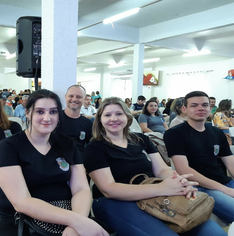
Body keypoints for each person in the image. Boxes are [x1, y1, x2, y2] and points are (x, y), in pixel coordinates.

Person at [83, 97, 226, 236]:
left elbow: (162, 169)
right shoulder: (95, 148)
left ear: (127, 117)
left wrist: (179, 182)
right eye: (107, 115)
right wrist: (161, 188)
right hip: (114, 202)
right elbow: (109, 189)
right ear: (100, 120)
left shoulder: (141, 139)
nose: (114, 118)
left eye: (119, 113)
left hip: (154, 194)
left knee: (214, 232)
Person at [0, 89, 108, 236]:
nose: (47, 118)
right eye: (40, 112)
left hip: (66, 213)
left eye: (53, 112)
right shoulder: (8, 146)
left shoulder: (67, 144)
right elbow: (21, 201)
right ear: (27, 113)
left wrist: (76, 224)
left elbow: (81, 189)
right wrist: (76, 221)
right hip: (22, 219)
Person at [164, 91, 234, 225]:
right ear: (184, 109)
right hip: (201, 187)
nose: (200, 108)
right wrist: (225, 189)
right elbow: (184, 170)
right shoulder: (175, 133)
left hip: (224, 181)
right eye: (194, 105)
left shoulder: (216, 132)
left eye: (205, 105)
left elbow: (230, 163)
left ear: (210, 108)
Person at [56, 85, 93, 153]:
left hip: (79, 162)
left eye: (79, 97)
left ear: (84, 99)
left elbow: (92, 148)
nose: (74, 99)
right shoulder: (55, 118)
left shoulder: (88, 124)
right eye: (71, 96)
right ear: (65, 97)